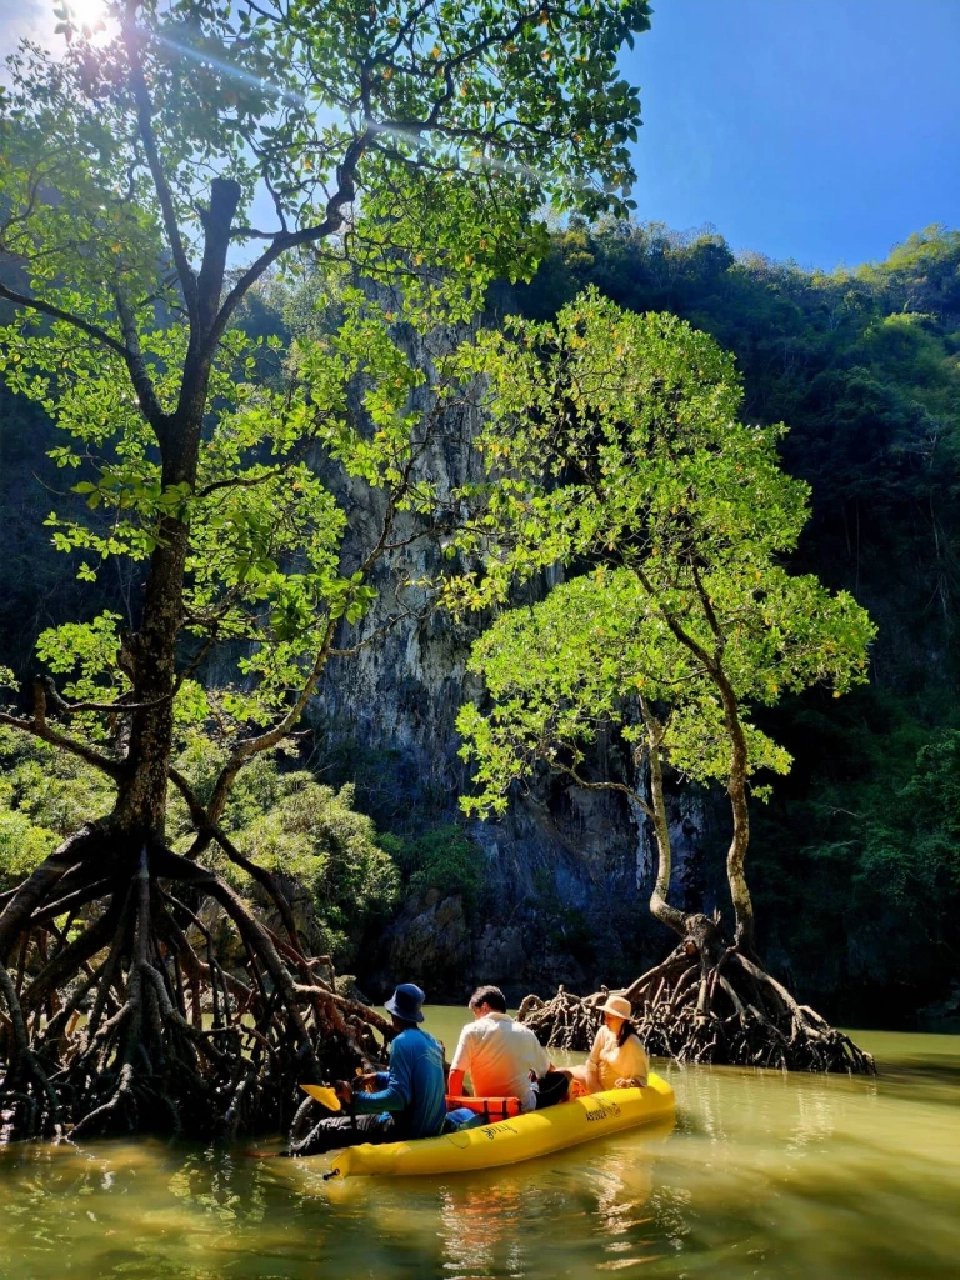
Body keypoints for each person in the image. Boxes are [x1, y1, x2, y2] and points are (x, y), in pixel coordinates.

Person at [288, 982, 446, 1156]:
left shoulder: (401, 1042)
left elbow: (398, 1098)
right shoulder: (432, 1043)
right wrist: (377, 1077)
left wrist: (354, 1099)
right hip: (431, 1130)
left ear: (394, 1014)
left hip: (406, 1133)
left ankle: (288, 1158)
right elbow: (416, 1082)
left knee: (325, 1128)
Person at [448, 984, 567, 1112]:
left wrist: (455, 1111)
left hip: (486, 1108)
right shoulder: (525, 1032)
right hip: (521, 1107)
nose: (475, 1018)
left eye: (475, 1013)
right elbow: (548, 1069)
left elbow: (455, 1074)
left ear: (485, 1007)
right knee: (561, 1080)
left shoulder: (470, 1030)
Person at [577, 994, 648, 1093]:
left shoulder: (632, 1043)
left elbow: (641, 1080)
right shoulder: (603, 1031)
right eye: (605, 1017)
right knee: (565, 1075)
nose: (605, 1021)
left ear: (622, 1019)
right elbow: (591, 1063)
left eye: (610, 1018)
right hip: (593, 1082)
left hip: (614, 1093)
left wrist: (628, 1083)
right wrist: (595, 1090)